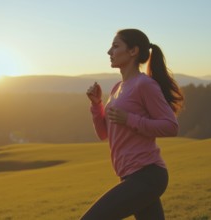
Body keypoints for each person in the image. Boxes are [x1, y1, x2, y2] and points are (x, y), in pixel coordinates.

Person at [81, 29, 184, 220]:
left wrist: (129, 119)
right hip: (130, 175)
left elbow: (171, 126)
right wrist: (96, 105)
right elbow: (104, 133)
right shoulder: (117, 88)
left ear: (133, 51)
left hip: (147, 174)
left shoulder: (144, 85)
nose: (109, 51)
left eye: (116, 46)